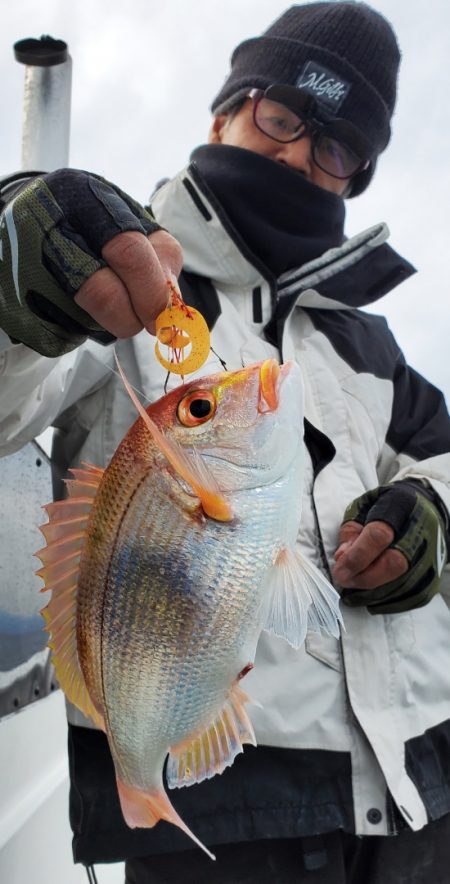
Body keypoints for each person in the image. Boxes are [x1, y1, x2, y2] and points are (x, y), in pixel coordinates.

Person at [1, 2, 450, 882]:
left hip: (421, 780)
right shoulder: (119, 282)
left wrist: (428, 512)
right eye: (281, 116)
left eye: (336, 147)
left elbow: (442, 456)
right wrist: (12, 294)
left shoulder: (371, 344)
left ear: (357, 176)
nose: (297, 153)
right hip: (224, 806)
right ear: (224, 114)